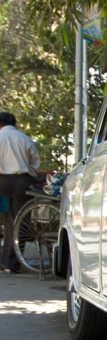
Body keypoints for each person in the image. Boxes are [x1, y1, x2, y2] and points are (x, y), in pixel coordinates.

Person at [0, 111, 40, 273]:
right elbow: (35, 163)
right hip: (22, 182)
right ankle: (13, 263)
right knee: (18, 221)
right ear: (15, 124)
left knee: (7, 219)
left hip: (2, 182)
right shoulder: (24, 139)